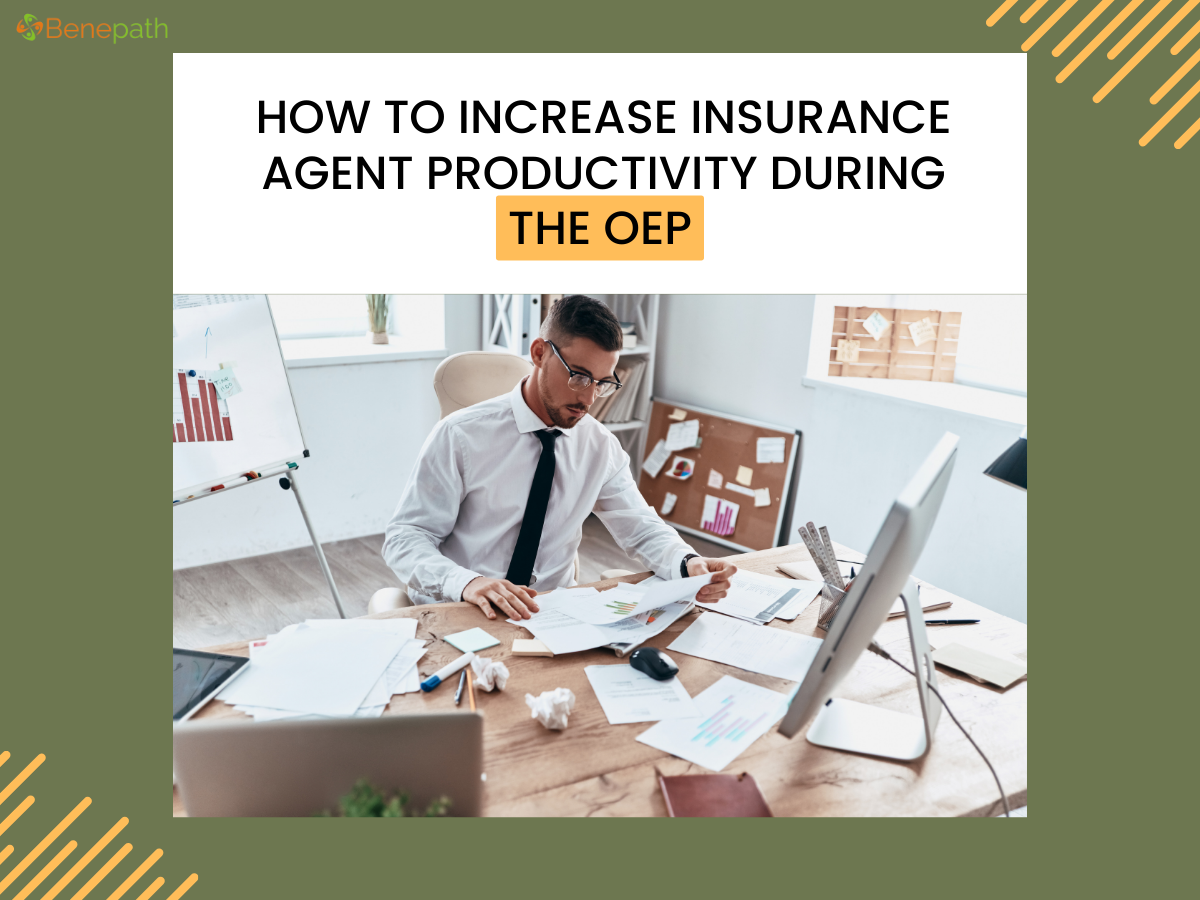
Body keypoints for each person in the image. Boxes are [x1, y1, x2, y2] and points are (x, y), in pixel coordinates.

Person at [383, 295, 736, 621]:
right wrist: (467, 582)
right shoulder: (460, 434)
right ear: (539, 353)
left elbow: (641, 527)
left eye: (602, 382)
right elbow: (405, 537)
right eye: (579, 376)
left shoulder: (600, 446)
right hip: (466, 608)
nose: (589, 398)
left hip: (552, 615)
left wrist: (687, 562)